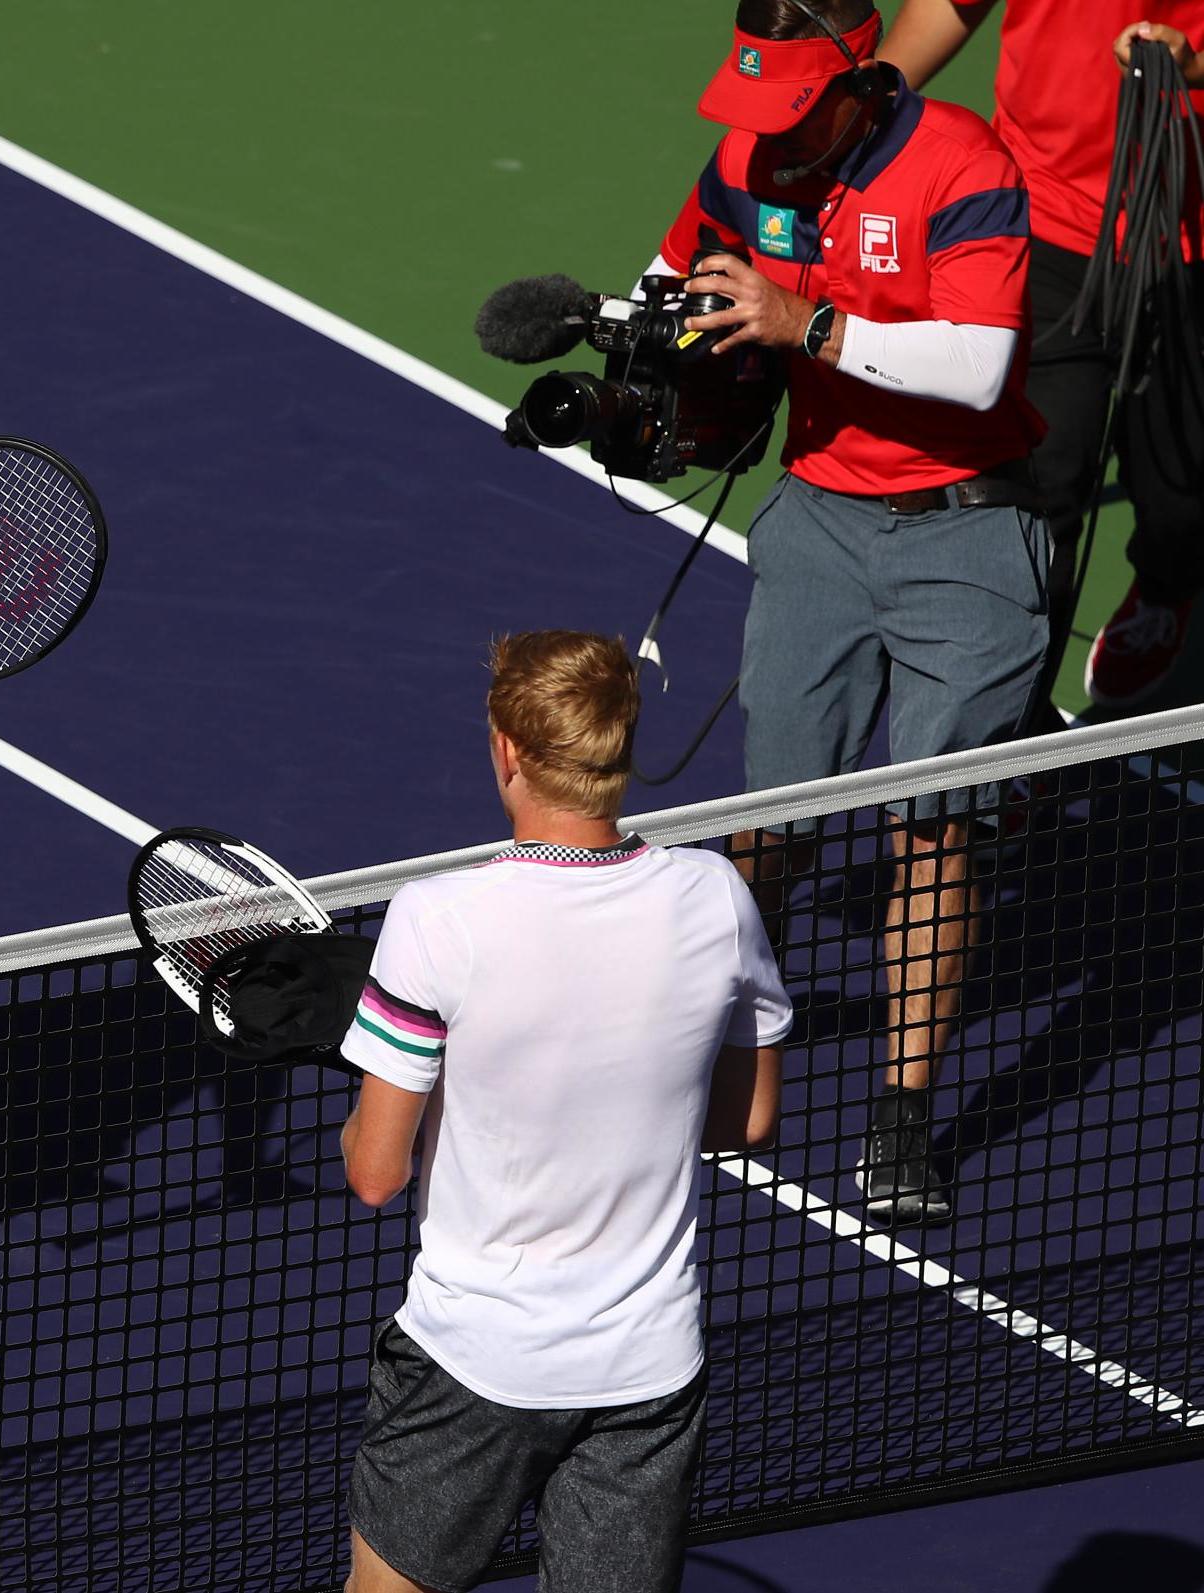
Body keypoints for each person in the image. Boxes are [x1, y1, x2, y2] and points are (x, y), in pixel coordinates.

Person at [656, 0, 1049, 1223]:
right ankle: (726, 1061)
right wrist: (641, 359)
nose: (766, 135)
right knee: (771, 826)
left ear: (856, 84)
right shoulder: (746, 159)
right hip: (819, 522)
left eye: (790, 109)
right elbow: (672, 274)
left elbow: (979, 363)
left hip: (969, 537)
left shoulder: (964, 164)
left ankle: (901, 1122)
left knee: (933, 832)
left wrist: (803, 323)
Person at [336, 630, 789, 1593]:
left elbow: (376, 1173)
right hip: (648, 1372)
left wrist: (364, 1052)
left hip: (472, 1364)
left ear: (507, 749)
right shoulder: (717, 897)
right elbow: (745, 1122)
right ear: (621, 747)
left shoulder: (436, 918)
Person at [881, 3, 1204, 711]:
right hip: (1045, 226)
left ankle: (1165, 587)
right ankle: (1012, 733)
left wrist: (1196, 67)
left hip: (1194, 254)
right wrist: (864, 105)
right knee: (1034, 502)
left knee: (1181, 502)